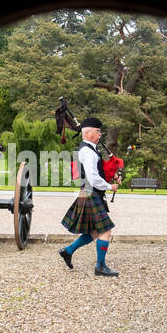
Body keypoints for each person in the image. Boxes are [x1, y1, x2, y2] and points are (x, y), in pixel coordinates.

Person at [58, 117, 121, 277]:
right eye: (97, 131)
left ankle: (68, 251)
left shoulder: (91, 149)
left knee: (93, 232)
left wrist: (112, 176)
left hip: (88, 193)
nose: (100, 134)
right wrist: (109, 186)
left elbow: (97, 172)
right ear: (87, 132)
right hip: (90, 193)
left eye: (100, 131)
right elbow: (92, 178)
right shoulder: (87, 151)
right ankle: (100, 267)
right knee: (105, 230)